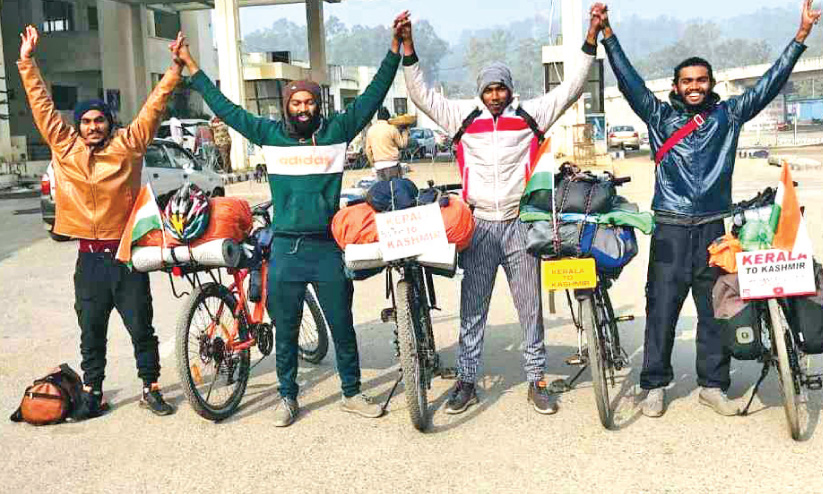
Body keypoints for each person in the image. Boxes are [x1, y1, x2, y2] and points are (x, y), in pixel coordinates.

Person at [171, 15, 406, 427]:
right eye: (296, 103)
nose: (303, 109)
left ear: (318, 105)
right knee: (287, 330)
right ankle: (287, 397)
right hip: (284, 249)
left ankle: (352, 392)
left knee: (342, 325)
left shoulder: (336, 132)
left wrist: (394, 50)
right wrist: (192, 67)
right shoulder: (270, 136)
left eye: (309, 103)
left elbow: (371, 97)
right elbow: (226, 109)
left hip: (327, 247)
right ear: (287, 107)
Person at [596, 0, 820, 417]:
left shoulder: (728, 116)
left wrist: (801, 36)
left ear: (712, 83)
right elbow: (629, 82)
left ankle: (712, 385)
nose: (694, 86)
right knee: (661, 309)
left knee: (715, 309)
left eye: (701, 79)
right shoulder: (659, 117)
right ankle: (655, 385)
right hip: (671, 227)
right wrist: (608, 35)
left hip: (715, 229)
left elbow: (768, 85)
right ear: (676, 86)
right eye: (687, 81)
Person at [396, 8, 603, 415]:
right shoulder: (463, 117)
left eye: (501, 88)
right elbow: (421, 96)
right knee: (473, 308)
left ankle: (536, 380)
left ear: (510, 89)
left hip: (518, 224)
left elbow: (571, 89)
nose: (495, 95)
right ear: (481, 91)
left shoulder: (528, 116)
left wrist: (591, 35)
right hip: (478, 226)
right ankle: (467, 381)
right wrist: (408, 47)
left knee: (530, 308)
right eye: (489, 89)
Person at [17, 26, 184, 417]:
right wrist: (27, 62)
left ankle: (150, 388)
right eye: (87, 121)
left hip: (126, 256)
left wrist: (175, 69)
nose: (93, 126)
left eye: (99, 120)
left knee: (141, 328)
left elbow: (154, 106)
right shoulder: (65, 147)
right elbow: (41, 105)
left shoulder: (129, 145)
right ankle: (92, 392)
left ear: (110, 123)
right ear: (78, 125)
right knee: (91, 331)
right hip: (89, 259)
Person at [365, 106, 409, 180]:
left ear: (378, 118)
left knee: (382, 187)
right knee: (394, 186)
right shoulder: (392, 129)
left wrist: (373, 163)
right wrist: (405, 131)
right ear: (388, 117)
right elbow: (402, 144)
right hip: (392, 164)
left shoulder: (370, 130)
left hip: (378, 165)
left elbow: (368, 150)